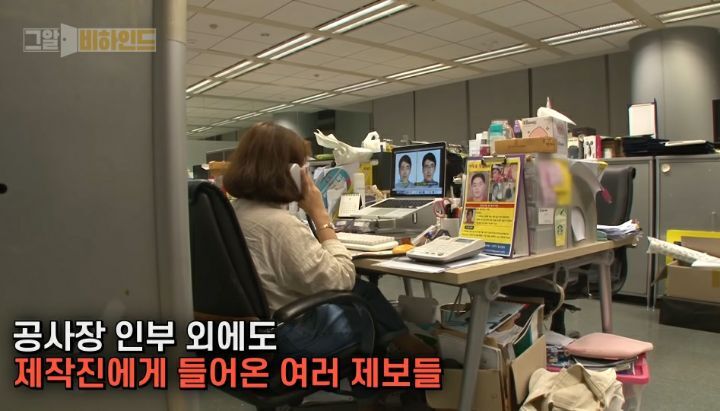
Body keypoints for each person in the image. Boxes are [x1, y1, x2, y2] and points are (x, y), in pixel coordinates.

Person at [223, 122, 433, 358]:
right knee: (362, 300)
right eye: (304, 168)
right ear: (293, 172)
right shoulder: (279, 225)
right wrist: (319, 213)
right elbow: (340, 279)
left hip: (244, 336)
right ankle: (412, 352)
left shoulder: (231, 212)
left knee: (363, 290)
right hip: (289, 337)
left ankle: (405, 347)